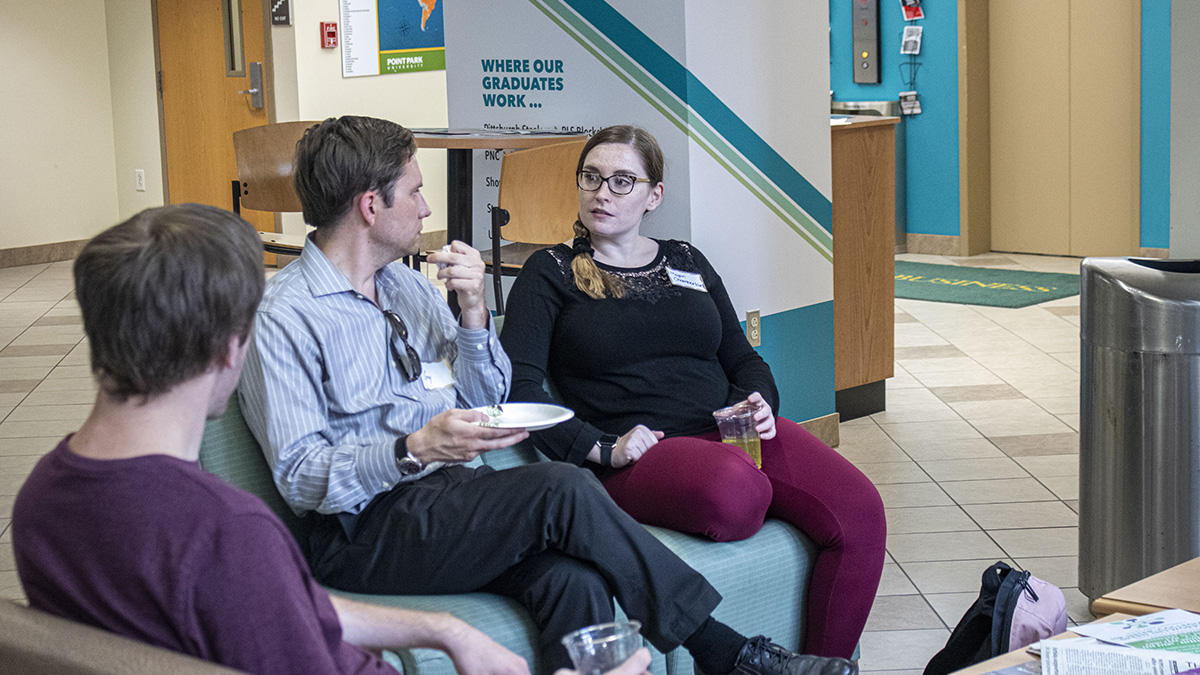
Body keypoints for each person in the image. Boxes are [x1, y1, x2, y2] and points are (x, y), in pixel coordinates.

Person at [238, 116, 856, 675]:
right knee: (561, 486)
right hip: (364, 527)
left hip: (455, 497)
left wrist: (476, 316)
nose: (427, 208)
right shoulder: (283, 316)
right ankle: (726, 652)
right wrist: (413, 448)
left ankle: (726, 656)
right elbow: (299, 478)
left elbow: (494, 398)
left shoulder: (405, 286)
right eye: (416, 192)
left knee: (575, 580)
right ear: (371, 206)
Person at [10, 204, 529, 675]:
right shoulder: (226, 533)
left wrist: (439, 628)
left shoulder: (40, 498)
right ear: (230, 350)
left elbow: (272, 602)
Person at [499, 125, 887, 660]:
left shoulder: (685, 260)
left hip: (731, 432)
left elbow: (743, 358)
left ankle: (822, 669)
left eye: (621, 181)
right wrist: (599, 447)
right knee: (735, 495)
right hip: (642, 454)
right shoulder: (550, 272)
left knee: (861, 510)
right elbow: (520, 392)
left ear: (654, 196)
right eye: (591, 177)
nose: (602, 193)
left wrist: (760, 402)